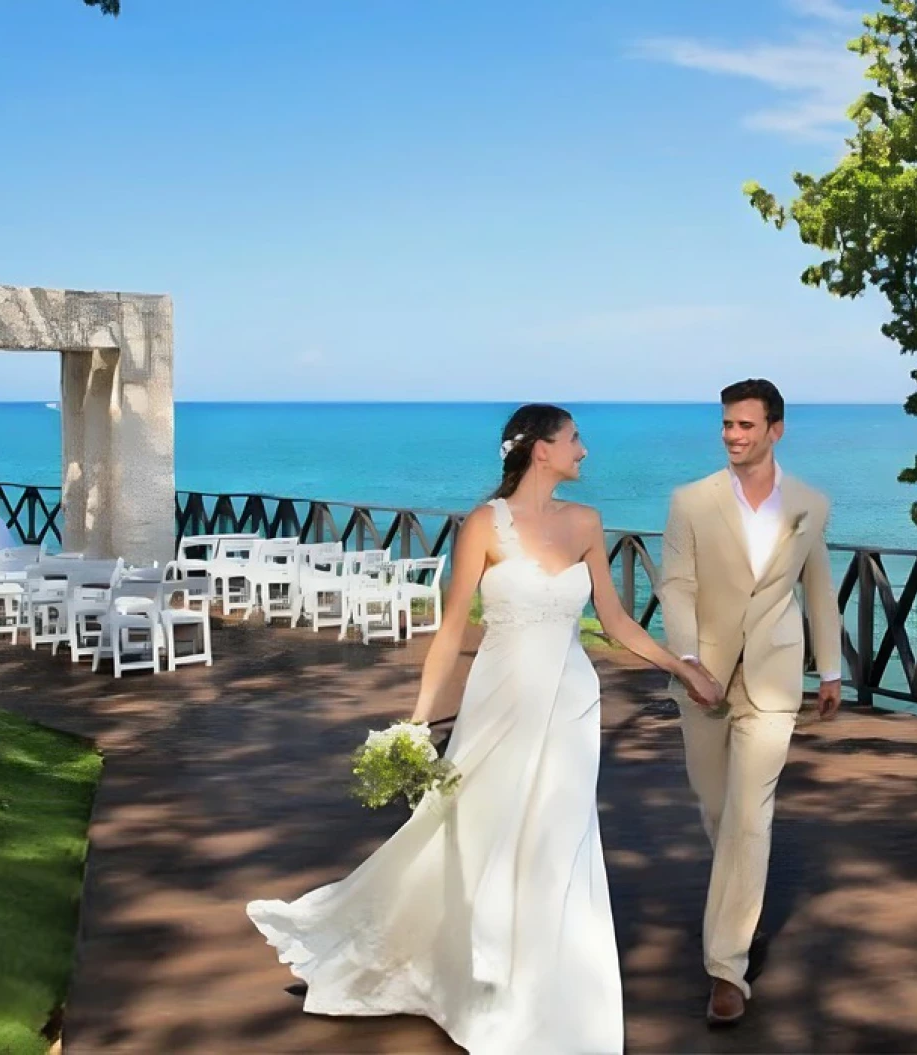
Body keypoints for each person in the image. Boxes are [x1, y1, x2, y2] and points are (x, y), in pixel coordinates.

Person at [247, 403, 723, 1054]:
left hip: (570, 708)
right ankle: (461, 973)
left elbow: (615, 624)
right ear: (541, 450)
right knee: (470, 835)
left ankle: (551, 1002)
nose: (584, 450)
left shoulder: (586, 522)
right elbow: (449, 633)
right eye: (574, 438)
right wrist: (417, 720)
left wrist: (683, 666)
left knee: (559, 843)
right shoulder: (484, 524)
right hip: (498, 707)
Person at [658, 378, 844, 1027]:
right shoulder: (691, 501)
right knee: (717, 809)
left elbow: (818, 586)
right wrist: (688, 661)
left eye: (745, 425)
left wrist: (831, 669)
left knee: (749, 815)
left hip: (773, 680)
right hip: (702, 677)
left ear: (775, 429)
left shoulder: (810, 504)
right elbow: (675, 586)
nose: (733, 435)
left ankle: (726, 968)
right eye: (727, 425)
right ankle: (737, 905)